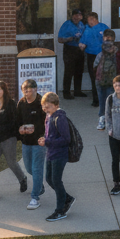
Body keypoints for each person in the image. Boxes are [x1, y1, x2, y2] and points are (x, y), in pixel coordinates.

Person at [39, 92, 73, 221]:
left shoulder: (60, 118)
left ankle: (60, 211)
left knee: (57, 180)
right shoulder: (49, 116)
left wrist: (48, 142)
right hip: (51, 153)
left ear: (56, 105)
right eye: (43, 106)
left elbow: (66, 139)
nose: (45, 109)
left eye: (48, 106)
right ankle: (67, 198)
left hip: (60, 154)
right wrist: (45, 139)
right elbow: (51, 135)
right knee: (49, 179)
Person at [17, 78, 46, 210]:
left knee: (36, 168)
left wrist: (45, 137)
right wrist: (20, 130)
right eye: (24, 90)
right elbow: (17, 121)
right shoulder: (21, 103)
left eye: (27, 90)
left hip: (39, 142)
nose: (25, 93)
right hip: (26, 142)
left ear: (35, 89)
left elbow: (48, 122)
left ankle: (35, 197)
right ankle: (39, 184)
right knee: (29, 168)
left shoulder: (41, 103)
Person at [93, 30, 120, 129]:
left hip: (109, 80)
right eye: (106, 37)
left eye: (109, 37)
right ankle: (106, 120)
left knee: (107, 101)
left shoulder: (103, 52)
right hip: (103, 80)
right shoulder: (116, 52)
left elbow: (95, 65)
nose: (107, 40)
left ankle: (104, 120)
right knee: (106, 101)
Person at [80, 12, 108, 108]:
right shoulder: (86, 28)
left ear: (94, 19)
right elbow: (82, 41)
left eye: (89, 20)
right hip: (91, 55)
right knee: (93, 77)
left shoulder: (103, 27)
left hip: (102, 55)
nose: (88, 22)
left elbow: (109, 40)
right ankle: (96, 99)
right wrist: (81, 45)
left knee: (103, 77)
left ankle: (105, 99)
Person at [57, 8, 85, 99]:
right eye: (75, 15)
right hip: (69, 49)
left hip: (79, 49)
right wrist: (68, 39)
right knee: (69, 71)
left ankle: (77, 91)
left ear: (81, 17)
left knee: (79, 71)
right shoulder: (66, 25)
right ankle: (66, 93)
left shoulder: (82, 25)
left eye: (79, 15)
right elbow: (59, 39)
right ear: (72, 16)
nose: (77, 17)